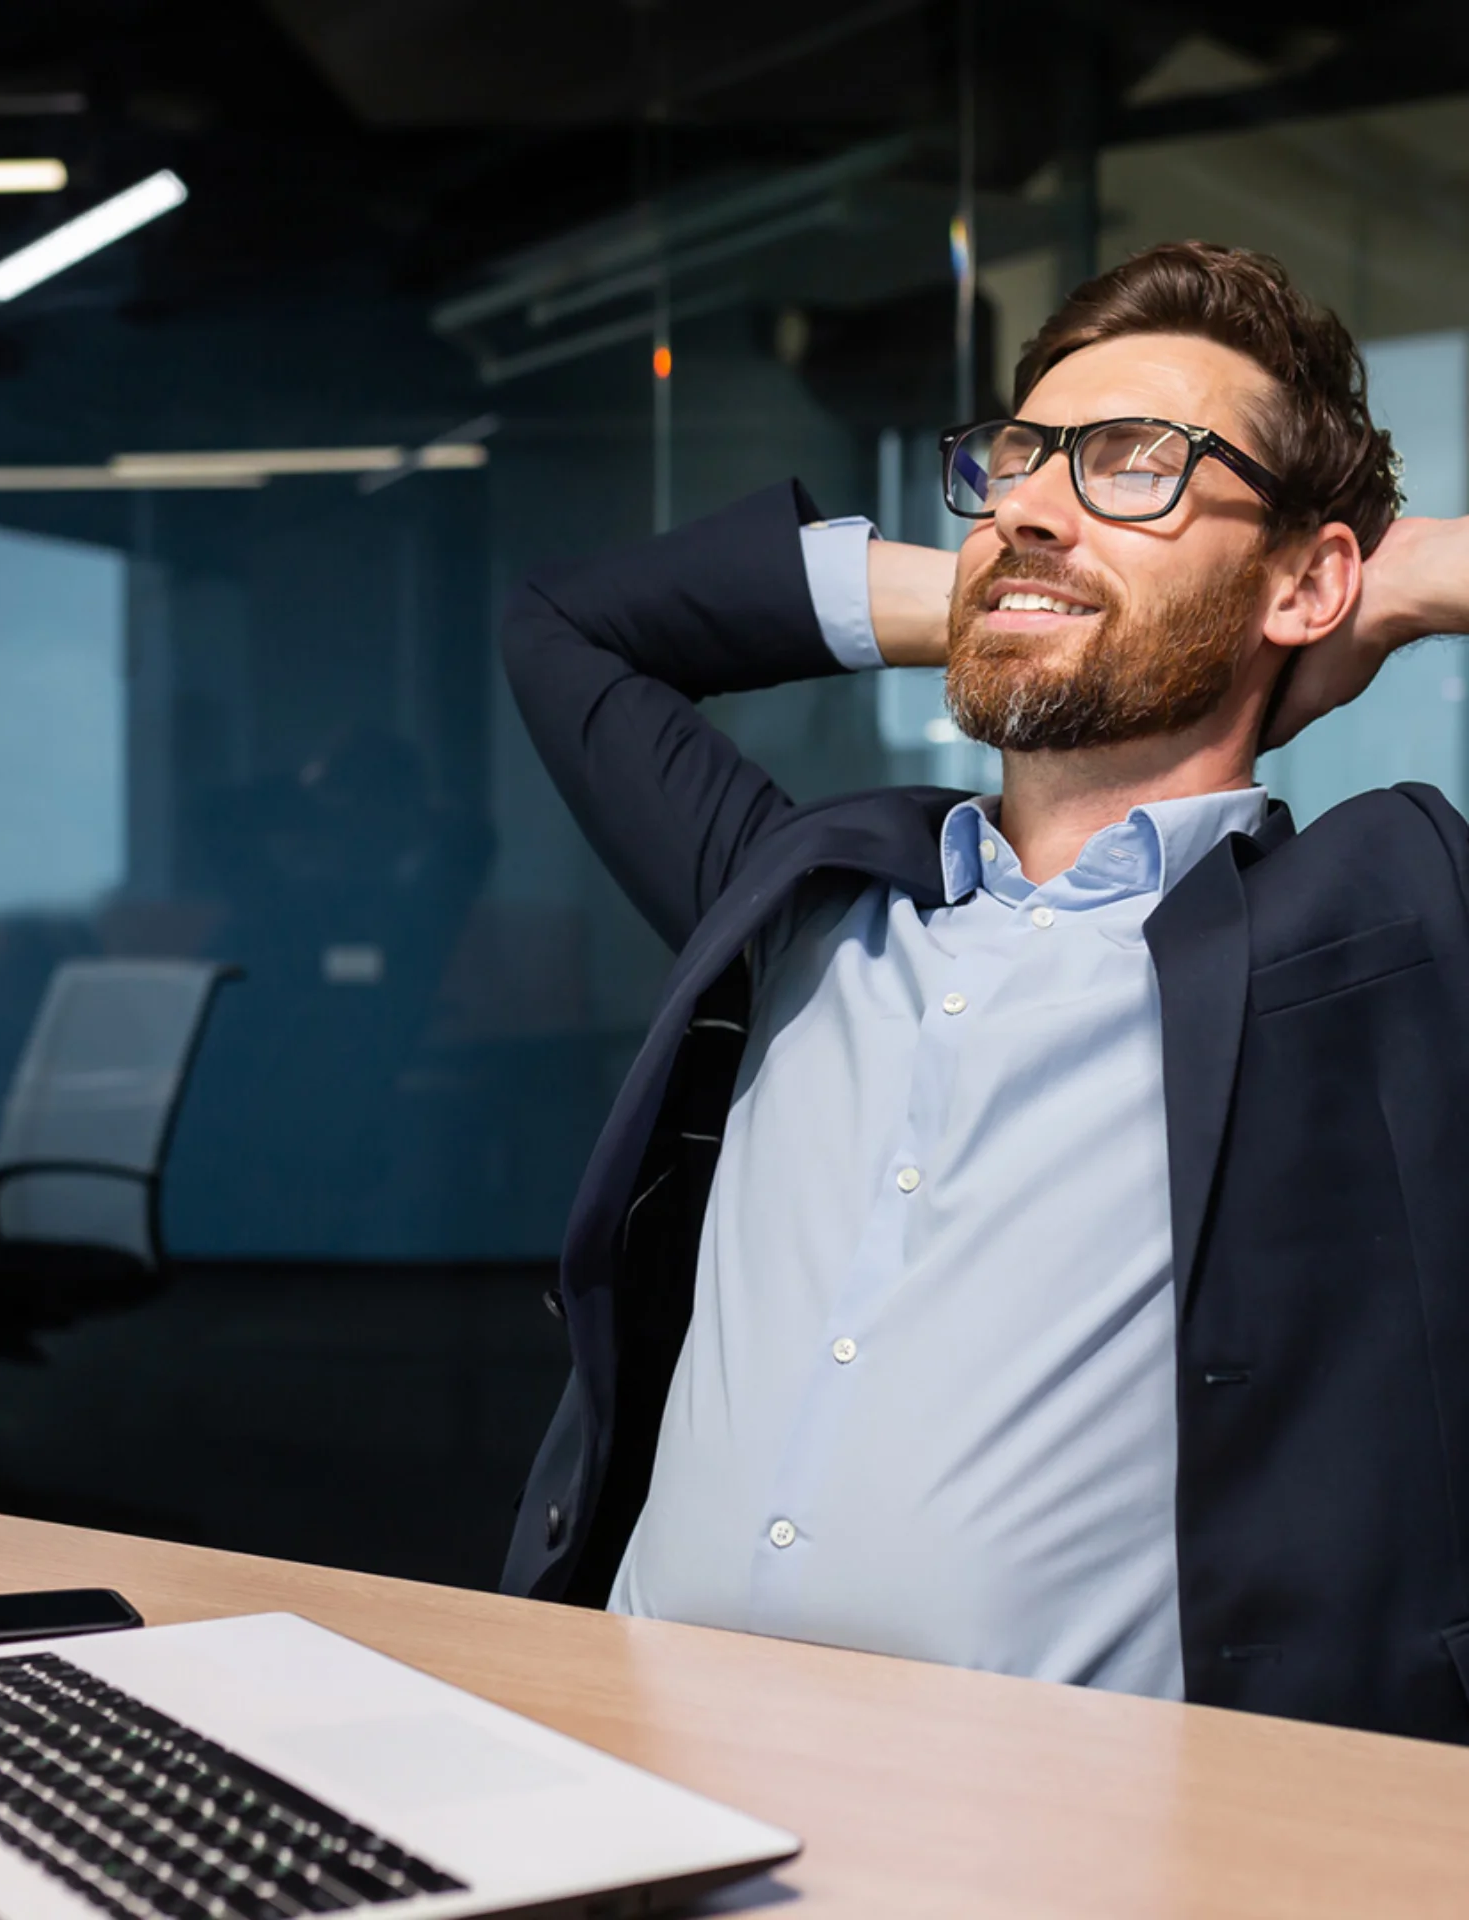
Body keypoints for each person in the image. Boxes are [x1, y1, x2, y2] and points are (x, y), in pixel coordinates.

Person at [499, 239, 1469, 1743]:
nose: (1027, 504)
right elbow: (569, 629)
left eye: (1136, 462)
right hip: (630, 1790)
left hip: (1060, 1853)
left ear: (1306, 576)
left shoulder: (1379, 923)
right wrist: (1006, 579)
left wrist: (1403, 582)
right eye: (1017, 463)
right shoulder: (805, 894)